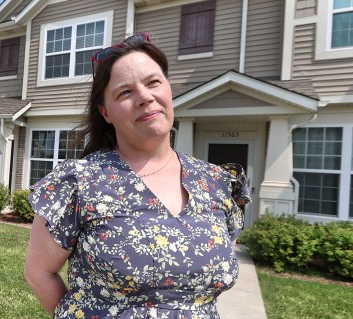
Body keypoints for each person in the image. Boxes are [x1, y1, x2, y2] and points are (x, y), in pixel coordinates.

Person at [24, 32, 251, 319]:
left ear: (168, 89)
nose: (145, 97)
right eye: (125, 92)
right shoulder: (80, 182)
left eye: (153, 82)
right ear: (106, 112)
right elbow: (38, 272)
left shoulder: (216, 183)